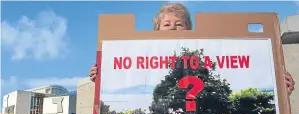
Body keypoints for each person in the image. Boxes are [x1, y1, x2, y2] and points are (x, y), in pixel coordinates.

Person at [89, 3, 295, 95]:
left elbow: (237, 75)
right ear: (156, 29)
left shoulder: (208, 55)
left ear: (189, 29)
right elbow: (125, 78)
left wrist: (274, 81)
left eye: (179, 24)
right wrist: (103, 74)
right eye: (167, 24)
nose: (173, 28)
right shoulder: (138, 56)